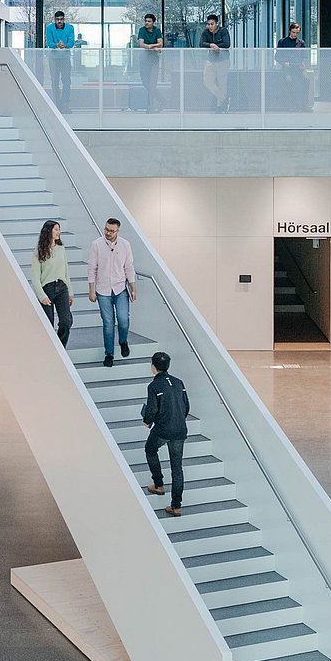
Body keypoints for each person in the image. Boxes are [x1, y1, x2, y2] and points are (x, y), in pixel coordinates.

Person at [141, 351, 191, 516]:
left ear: (153, 367)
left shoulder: (154, 386)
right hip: (180, 429)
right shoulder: (179, 382)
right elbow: (186, 406)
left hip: (163, 428)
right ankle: (176, 506)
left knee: (150, 449)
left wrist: (147, 422)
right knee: (177, 468)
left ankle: (159, 484)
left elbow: (152, 410)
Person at [86, 217, 137, 367]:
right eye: (106, 229)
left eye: (111, 230)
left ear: (117, 231)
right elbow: (91, 268)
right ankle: (109, 353)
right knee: (108, 323)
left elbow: (129, 267)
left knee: (123, 320)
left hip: (120, 288)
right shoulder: (96, 244)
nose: (108, 232)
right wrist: (91, 290)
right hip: (102, 290)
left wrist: (133, 287)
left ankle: (123, 340)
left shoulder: (125, 245)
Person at [35, 219, 72, 346]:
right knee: (48, 324)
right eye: (56, 229)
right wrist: (42, 296)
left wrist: (70, 293)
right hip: (47, 289)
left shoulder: (61, 249)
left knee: (66, 321)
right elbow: (35, 278)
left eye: (59, 229)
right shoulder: (38, 251)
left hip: (62, 288)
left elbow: (66, 273)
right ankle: (49, 350)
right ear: (48, 231)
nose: (58, 232)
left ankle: (60, 347)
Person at [273, 21, 310, 112]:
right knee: (289, 81)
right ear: (290, 31)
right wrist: (284, 63)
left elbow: (304, 57)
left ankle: (304, 105)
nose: (295, 34)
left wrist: (303, 65)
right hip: (288, 68)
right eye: (293, 32)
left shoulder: (301, 43)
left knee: (306, 80)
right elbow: (277, 57)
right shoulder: (282, 42)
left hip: (298, 67)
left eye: (297, 33)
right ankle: (293, 105)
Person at [198, 13, 231, 112]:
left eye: (212, 24)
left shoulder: (223, 31)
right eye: (208, 24)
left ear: (217, 23)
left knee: (222, 83)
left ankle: (221, 106)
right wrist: (211, 45)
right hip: (211, 61)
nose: (210, 26)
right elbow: (201, 44)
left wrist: (216, 46)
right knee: (207, 82)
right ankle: (224, 99)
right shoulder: (205, 32)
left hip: (223, 60)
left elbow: (226, 44)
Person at [45, 9, 76, 111]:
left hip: (65, 58)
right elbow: (50, 43)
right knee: (55, 81)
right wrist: (57, 45)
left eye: (61, 19)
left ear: (64, 20)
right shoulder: (49, 28)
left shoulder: (70, 28)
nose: (59, 21)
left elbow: (71, 43)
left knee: (66, 81)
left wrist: (65, 45)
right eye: (57, 19)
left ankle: (65, 104)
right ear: (54, 20)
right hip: (53, 59)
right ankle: (57, 104)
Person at [134, 12, 164, 113]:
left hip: (154, 61)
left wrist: (154, 47)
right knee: (145, 82)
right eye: (146, 21)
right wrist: (152, 47)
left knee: (152, 84)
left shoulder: (157, 30)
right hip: (144, 60)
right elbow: (141, 44)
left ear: (153, 22)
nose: (147, 23)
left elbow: (161, 43)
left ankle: (150, 106)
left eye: (149, 21)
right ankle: (161, 100)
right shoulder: (142, 30)